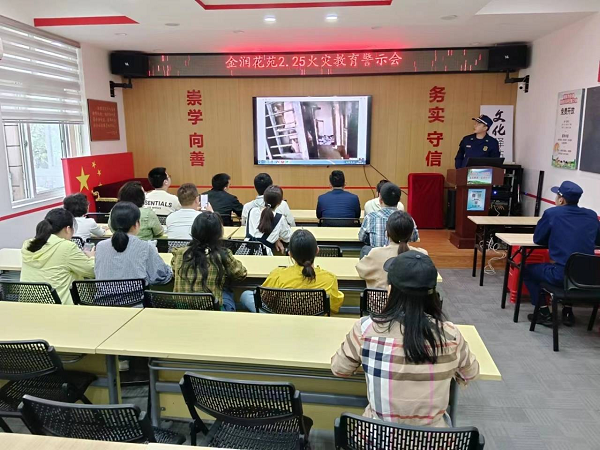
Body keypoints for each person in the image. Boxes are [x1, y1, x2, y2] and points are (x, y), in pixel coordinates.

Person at [331, 251, 479, 427]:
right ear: (433, 295)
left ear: (391, 291)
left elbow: (339, 369)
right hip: (434, 439)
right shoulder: (450, 334)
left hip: (378, 437)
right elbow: (470, 373)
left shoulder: (365, 330)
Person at [524, 181, 600, 327]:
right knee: (573, 268)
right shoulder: (591, 215)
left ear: (561, 200)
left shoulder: (552, 214)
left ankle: (543, 312)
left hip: (560, 275)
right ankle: (567, 311)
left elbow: (538, 239)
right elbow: (598, 240)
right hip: (589, 277)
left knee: (527, 270)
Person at [240, 229, 344, 313]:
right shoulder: (329, 279)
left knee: (246, 295)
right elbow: (334, 308)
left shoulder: (278, 275)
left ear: (290, 254)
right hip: (317, 323)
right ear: (317, 250)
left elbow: (264, 299)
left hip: (282, 322)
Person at [171, 212, 248, 311]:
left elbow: (174, 272)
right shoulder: (222, 255)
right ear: (219, 233)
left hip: (182, 309)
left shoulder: (179, 253)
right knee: (228, 292)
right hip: (211, 310)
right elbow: (241, 274)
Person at [20, 208, 95, 305]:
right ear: (67, 229)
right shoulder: (67, 247)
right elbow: (92, 271)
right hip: (62, 308)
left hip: (29, 306)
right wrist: (92, 257)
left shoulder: (28, 244)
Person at [95, 202, 173, 286]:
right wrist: (170, 269)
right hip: (137, 294)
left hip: (103, 295)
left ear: (112, 225)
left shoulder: (100, 246)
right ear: (136, 224)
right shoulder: (145, 246)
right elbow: (160, 276)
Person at [357, 211, 428, 289]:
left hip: (381, 296)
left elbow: (361, 271)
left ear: (387, 233)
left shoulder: (375, 253)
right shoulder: (422, 255)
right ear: (411, 234)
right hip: (412, 297)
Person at [359, 183, 419, 257]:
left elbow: (361, 237)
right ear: (399, 200)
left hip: (377, 258)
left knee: (365, 249)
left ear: (380, 199)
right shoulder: (408, 218)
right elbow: (414, 238)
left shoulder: (370, 218)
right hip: (400, 257)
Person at [245, 185, 292, 255]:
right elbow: (287, 238)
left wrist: (275, 238)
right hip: (264, 255)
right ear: (280, 203)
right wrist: (275, 238)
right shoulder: (280, 218)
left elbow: (257, 234)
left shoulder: (252, 211)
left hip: (244, 251)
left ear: (264, 199)